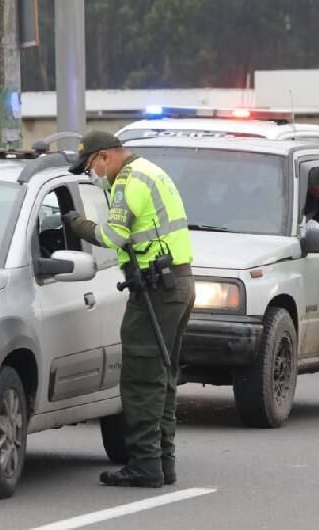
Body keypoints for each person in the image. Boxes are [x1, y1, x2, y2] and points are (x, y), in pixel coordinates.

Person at [62, 131, 195, 488]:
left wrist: (76, 223)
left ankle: (146, 465)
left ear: (104, 156)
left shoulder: (128, 181)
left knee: (141, 379)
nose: (93, 175)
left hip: (157, 291)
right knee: (162, 376)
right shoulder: (152, 171)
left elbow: (113, 236)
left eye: (91, 166)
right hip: (176, 283)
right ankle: (163, 461)